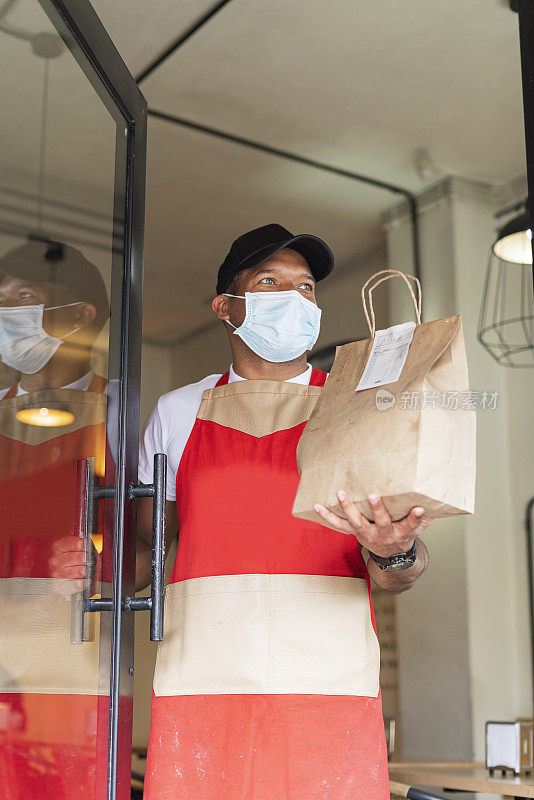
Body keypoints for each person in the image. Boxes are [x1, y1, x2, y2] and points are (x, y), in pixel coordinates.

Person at [136, 223, 432, 800]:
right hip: (205, 675)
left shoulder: (358, 408)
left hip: (327, 682)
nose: (294, 298)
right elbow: (148, 544)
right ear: (227, 307)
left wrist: (397, 551)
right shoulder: (176, 413)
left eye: (306, 288)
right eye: (270, 282)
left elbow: (400, 572)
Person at [0, 239, 112, 800]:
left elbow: (146, 547)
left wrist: (102, 561)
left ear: (76, 316)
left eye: (23, 296)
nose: (5, 313)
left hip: (76, 661)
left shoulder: (122, 410)